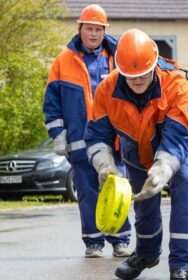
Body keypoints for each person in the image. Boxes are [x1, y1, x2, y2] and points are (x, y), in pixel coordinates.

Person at [84, 28, 188, 280]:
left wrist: (164, 167)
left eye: (143, 74)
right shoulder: (106, 90)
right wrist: (105, 166)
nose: (137, 80)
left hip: (181, 140)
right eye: (130, 75)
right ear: (120, 70)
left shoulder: (175, 84)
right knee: (142, 201)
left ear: (155, 65)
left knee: (187, 185)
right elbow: (96, 136)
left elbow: (179, 134)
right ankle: (147, 253)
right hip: (135, 146)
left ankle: (182, 266)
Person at [42, 4, 131, 258]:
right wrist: (58, 134)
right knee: (89, 194)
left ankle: (121, 241)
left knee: (118, 189)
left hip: (114, 142)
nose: (94, 34)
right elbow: (52, 104)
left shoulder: (118, 59)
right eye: (89, 28)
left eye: (99, 29)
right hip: (80, 142)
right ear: (80, 29)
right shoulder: (62, 62)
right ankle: (94, 244)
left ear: (104, 31)